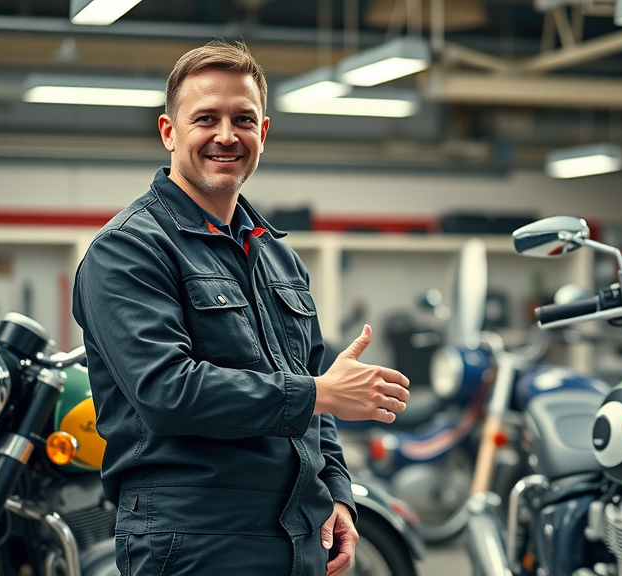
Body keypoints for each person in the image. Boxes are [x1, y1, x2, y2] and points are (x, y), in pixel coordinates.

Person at [72, 40, 411, 576]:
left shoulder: (278, 257)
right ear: (169, 132)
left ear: (263, 133)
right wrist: (320, 393)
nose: (227, 135)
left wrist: (337, 492)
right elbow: (167, 391)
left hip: (298, 538)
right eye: (206, 118)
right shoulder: (128, 249)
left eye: (243, 119)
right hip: (195, 543)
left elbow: (313, 396)